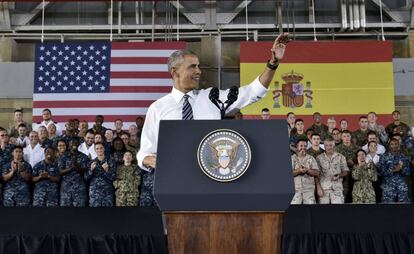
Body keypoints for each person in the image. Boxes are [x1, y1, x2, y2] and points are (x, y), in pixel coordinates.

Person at [136, 33, 289, 206]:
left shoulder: (212, 98)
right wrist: (149, 160)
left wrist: (273, 63)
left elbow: (252, 92)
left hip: (213, 183)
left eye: (199, 66)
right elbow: (144, 152)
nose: (199, 71)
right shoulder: (158, 108)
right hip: (175, 184)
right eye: (192, 67)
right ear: (175, 72)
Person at [316, 138, 349, 204]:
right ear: (324, 146)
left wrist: (339, 175)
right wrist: (318, 188)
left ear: (334, 146)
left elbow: (346, 171)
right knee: (323, 213)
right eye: (327, 145)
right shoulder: (319, 158)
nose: (329, 147)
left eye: (330, 145)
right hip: (324, 189)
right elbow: (316, 175)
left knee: (338, 212)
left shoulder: (341, 157)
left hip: (337, 189)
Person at [378, 138, 410, 203]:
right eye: (392, 144)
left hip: (401, 186)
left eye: (396, 144)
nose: (394, 146)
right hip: (388, 186)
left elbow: (407, 172)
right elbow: (380, 172)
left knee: (404, 208)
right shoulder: (384, 157)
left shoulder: (403, 157)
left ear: (399, 145)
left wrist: (401, 168)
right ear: (389, 146)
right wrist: (393, 170)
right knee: (387, 208)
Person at [59, 139, 89, 207]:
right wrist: (71, 168)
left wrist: (76, 165)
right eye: (72, 143)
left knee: (79, 213)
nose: (74, 144)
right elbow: (60, 172)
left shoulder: (84, 157)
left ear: (78, 144)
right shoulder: (63, 156)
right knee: (65, 212)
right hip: (66, 189)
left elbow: (84, 173)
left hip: (79, 188)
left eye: (76, 143)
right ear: (69, 145)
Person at [85, 142, 116, 207]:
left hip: (107, 192)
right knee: (95, 215)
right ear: (95, 150)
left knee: (108, 214)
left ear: (104, 149)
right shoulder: (91, 162)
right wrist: (91, 170)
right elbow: (86, 178)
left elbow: (113, 177)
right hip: (95, 193)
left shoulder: (110, 160)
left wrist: (107, 170)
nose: (99, 150)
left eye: (101, 148)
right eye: (97, 148)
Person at [290, 139, 320, 204]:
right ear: (297, 146)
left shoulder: (311, 158)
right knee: (294, 210)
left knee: (310, 211)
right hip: (295, 190)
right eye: (301, 146)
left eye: (305, 146)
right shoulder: (292, 158)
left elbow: (317, 173)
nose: (303, 148)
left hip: (309, 190)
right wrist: (299, 170)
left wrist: (307, 170)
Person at [335, 130, 359, 202]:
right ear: (341, 137)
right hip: (343, 174)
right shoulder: (337, 149)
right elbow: (334, 162)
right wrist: (345, 163)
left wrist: (353, 164)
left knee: (354, 193)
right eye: (344, 136)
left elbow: (361, 162)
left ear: (350, 137)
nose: (346, 138)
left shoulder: (357, 148)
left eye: (348, 136)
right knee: (344, 193)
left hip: (355, 173)